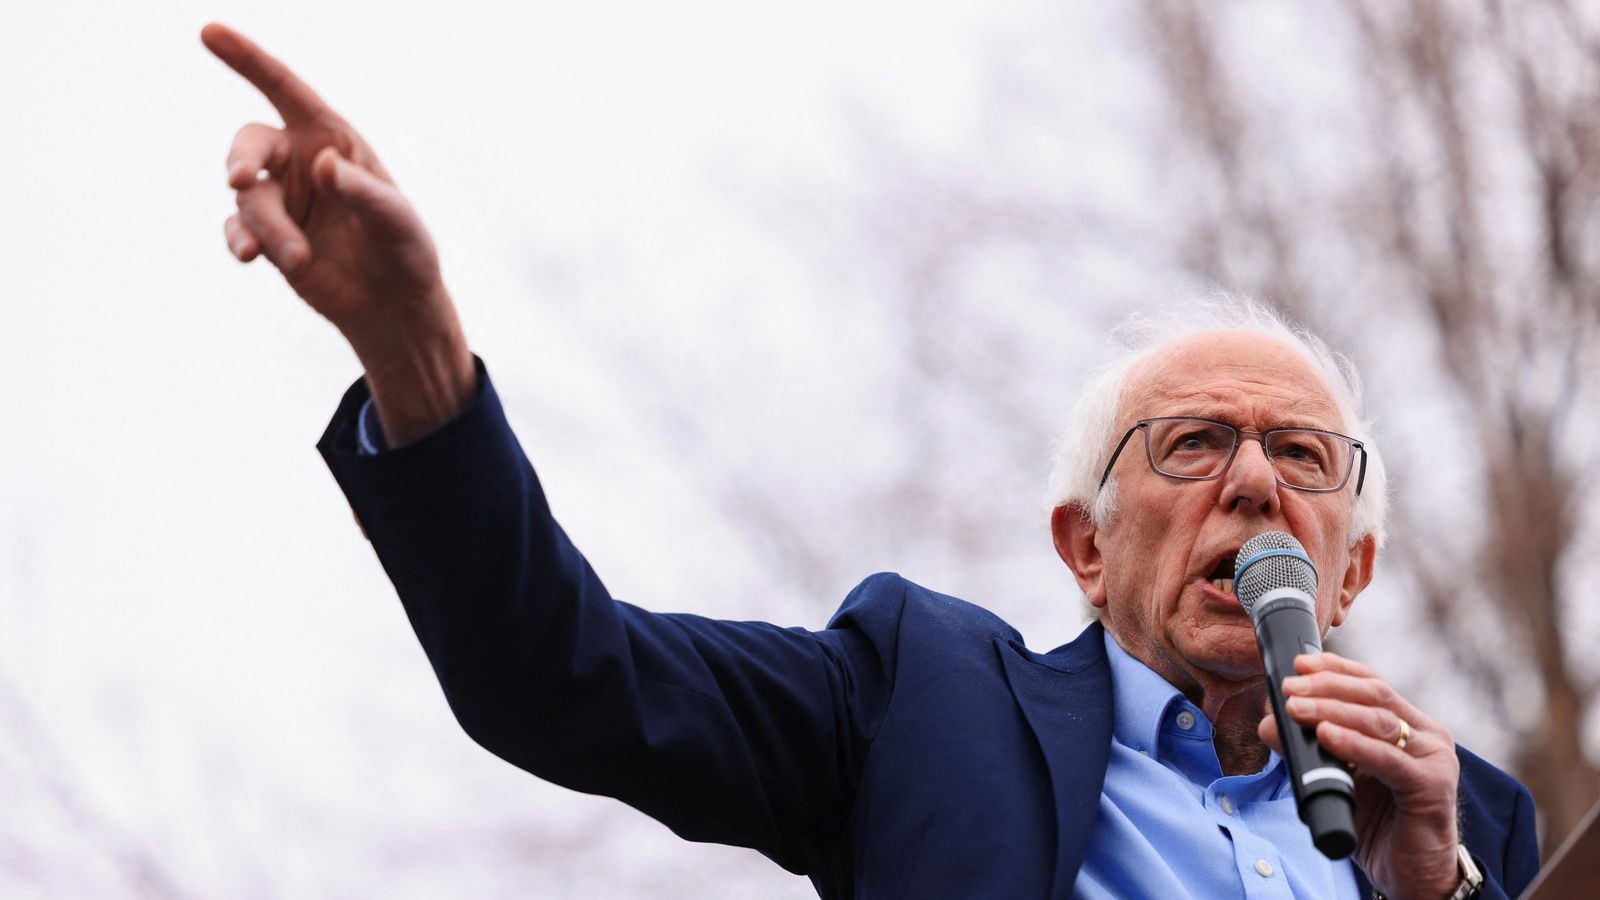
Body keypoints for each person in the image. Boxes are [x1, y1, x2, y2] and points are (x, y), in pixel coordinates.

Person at [202, 23, 1538, 900]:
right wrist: (418, 357)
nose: (1253, 483)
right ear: (1084, 545)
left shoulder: (1474, 821)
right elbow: (562, 673)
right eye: (1193, 443)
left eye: (1301, 454)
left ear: (1351, 570)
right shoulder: (922, 702)